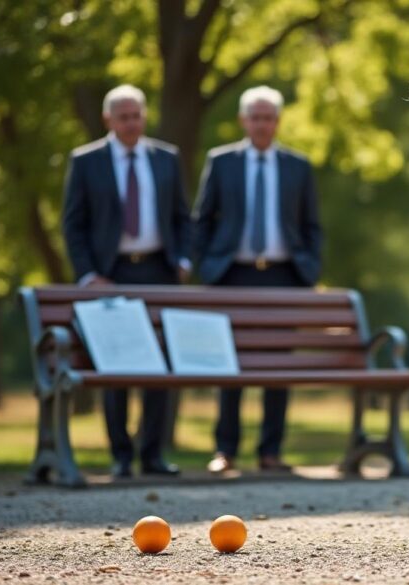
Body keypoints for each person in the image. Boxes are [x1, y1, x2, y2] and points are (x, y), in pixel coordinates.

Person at [62, 84, 192, 478]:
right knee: (115, 366)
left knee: (160, 367)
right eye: (123, 117)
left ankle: (152, 455)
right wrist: (88, 275)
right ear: (108, 119)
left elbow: (183, 218)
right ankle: (121, 456)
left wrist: (183, 259)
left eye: (136, 116)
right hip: (109, 274)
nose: (131, 123)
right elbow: (73, 223)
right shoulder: (86, 162)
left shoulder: (166, 158)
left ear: (144, 116)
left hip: (158, 271)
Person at [193, 85, 322, 473]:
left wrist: (310, 268)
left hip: (284, 276)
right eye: (255, 117)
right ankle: (225, 451)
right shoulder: (222, 162)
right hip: (232, 276)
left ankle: (271, 452)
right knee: (228, 364)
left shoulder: (297, 166)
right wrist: (206, 266)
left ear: (277, 121)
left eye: (268, 117)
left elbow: (311, 224)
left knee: (278, 367)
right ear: (243, 120)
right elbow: (202, 220)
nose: (262, 124)